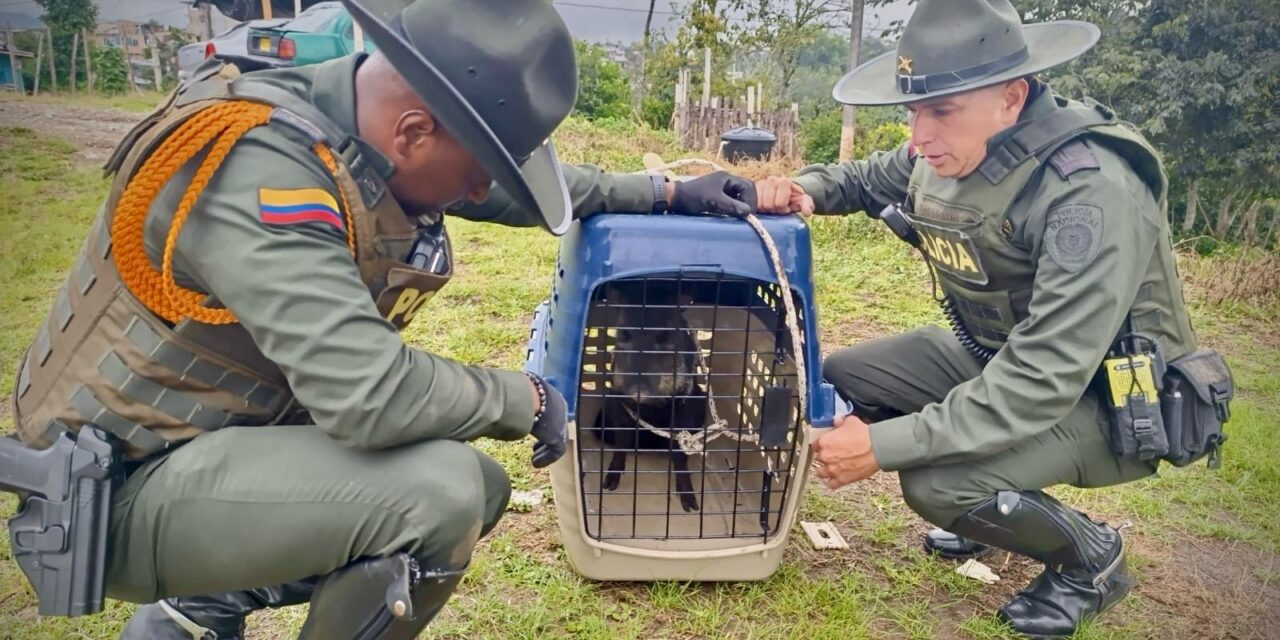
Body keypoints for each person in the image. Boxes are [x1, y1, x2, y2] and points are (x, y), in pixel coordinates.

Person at [6, 0, 752, 638]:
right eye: (477, 170)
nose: (481, 191)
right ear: (414, 133)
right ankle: (191, 603)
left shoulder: (353, 121)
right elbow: (371, 396)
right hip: (115, 491)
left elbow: (506, 191)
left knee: (479, 490)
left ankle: (199, 608)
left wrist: (663, 191)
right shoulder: (262, 169)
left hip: (209, 446)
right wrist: (523, 398)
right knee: (441, 495)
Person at [756, 0, 1223, 636]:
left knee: (935, 484)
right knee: (848, 374)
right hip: (1000, 358)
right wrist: (805, 187)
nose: (920, 135)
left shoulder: (1088, 191)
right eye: (913, 110)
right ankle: (994, 516)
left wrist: (882, 446)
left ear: (1011, 97)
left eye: (941, 110)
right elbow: (870, 177)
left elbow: (1043, 378)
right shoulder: (950, 148)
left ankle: (1090, 558)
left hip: (1108, 397)